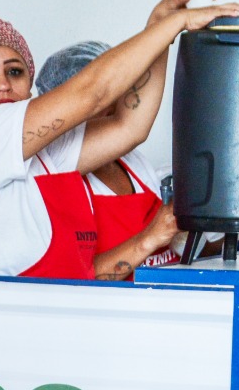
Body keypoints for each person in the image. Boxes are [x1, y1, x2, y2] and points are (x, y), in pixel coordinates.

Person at [0, 0, 239, 280]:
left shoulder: (38, 154)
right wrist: (175, 24)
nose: (3, 85)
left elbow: (129, 127)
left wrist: (158, 26)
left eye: (15, 71)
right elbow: (92, 94)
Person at [36, 40, 182, 272]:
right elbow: (72, 278)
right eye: (103, 97)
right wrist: (149, 239)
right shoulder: (56, 173)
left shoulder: (132, 161)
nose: (117, 108)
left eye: (121, 92)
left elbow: (177, 247)